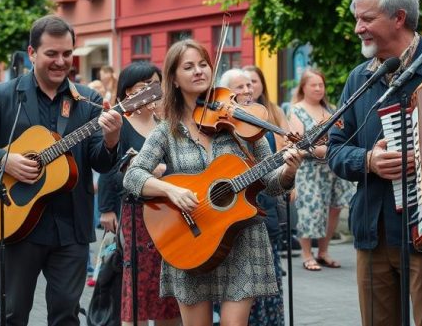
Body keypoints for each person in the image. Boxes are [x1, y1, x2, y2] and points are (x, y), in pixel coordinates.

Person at [0, 15, 123, 326]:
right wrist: (3, 160)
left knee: (67, 314)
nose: (60, 62)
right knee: (12, 315)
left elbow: (100, 161)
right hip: (15, 224)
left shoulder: (89, 100)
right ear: (32, 54)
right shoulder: (6, 94)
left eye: (67, 54)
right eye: (52, 54)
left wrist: (111, 140)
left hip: (71, 227)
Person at [123, 40, 301, 326]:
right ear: (174, 79)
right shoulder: (166, 131)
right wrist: (171, 189)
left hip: (241, 238)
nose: (198, 71)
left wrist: (288, 172)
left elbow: (271, 183)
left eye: (203, 64)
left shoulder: (241, 123)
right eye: (188, 67)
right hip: (192, 237)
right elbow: (133, 176)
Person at [327, 0, 422, 326]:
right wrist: (368, 160)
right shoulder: (359, 77)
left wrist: (421, 160)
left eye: (366, 19)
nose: (358, 28)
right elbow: (335, 149)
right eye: (357, 19)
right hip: (372, 231)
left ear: (399, 18)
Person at [97, 62, 181, 326]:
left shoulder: (165, 124)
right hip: (135, 213)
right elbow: (110, 169)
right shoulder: (119, 124)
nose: (151, 91)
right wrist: (107, 209)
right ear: (126, 92)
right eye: (143, 87)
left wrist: (162, 171)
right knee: (138, 284)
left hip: (168, 213)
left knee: (167, 284)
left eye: (155, 85)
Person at [219, 67, 287, 326]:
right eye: (240, 87)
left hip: (261, 212)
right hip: (228, 220)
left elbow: (271, 172)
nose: (247, 90)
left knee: (266, 289)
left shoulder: (262, 121)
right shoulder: (218, 126)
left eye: (250, 85)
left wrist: (288, 171)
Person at [287, 67, 353, 272]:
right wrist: (322, 149)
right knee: (310, 210)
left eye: (321, 84)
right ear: (303, 88)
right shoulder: (296, 109)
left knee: (334, 209)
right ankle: (307, 254)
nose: (318, 88)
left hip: (333, 167)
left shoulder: (332, 109)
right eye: (313, 85)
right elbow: (297, 143)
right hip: (309, 169)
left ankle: (323, 252)